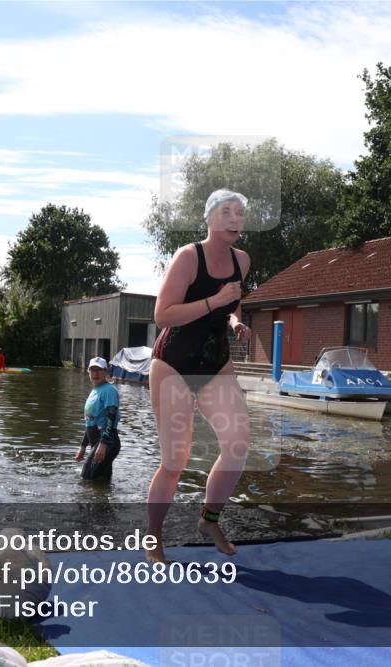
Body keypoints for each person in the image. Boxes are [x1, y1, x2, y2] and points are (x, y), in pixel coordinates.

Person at [147, 188, 252, 563]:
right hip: (174, 363)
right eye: (226, 211)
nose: (234, 219)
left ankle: (210, 520)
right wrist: (216, 301)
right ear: (209, 218)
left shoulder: (243, 260)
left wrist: (236, 320)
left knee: (237, 444)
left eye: (240, 213)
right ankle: (153, 536)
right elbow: (163, 315)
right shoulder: (189, 257)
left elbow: (233, 301)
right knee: (175, 461)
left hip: (215, 362)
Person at [75, 357, 121, 481]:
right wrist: (83, 446)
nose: (95, 373)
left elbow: (111, 417)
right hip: (98, 442)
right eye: (93, 370)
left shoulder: (109, 391)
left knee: (86, 478)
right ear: (88, 371)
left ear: (105, 371)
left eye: (99, 370)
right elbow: (91, 421)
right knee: (102, 482)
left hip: (107, 442)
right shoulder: (95, 391)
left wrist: (103, 443)